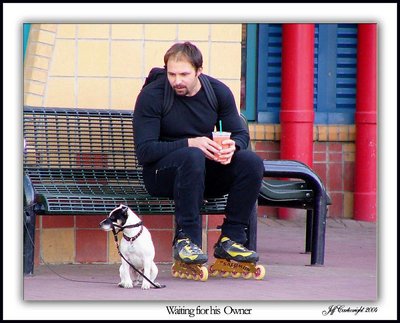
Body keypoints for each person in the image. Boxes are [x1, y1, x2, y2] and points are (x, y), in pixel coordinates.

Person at [133, 41, 264, 266]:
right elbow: (145, 152)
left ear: (199, 71)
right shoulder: (152, 95)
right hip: (160, 175)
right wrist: (190, 143)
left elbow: (241, 134)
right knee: (192, 155)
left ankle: (231, 239)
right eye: (171, 74)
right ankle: (186, 240)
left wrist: (234, 146)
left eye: (184, 74)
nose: (177, 81)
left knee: (251, 162)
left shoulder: (217, 92)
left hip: (201, 175)